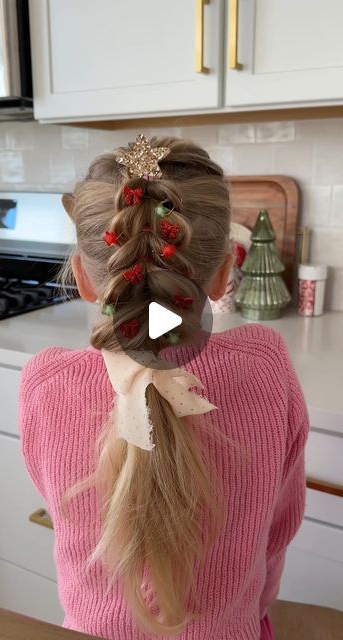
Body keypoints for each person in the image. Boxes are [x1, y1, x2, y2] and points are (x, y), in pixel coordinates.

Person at [19, 135, 309, 640]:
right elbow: (279, 529)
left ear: (88, 284)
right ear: (223, 275)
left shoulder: (46, 383)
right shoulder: (265, 365)